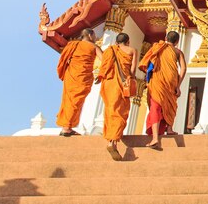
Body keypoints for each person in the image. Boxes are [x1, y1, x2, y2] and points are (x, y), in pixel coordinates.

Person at [139, 31, 187, 149]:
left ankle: (155, 138)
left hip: (158, 81)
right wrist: (178, 85)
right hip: (171, 83)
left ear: (166, 38)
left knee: (156, 107)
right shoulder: (178, 52)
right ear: (177, 41)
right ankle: (169, 129)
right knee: (170, 105)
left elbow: (147, 63)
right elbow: (184, 68)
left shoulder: (157, 47)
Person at [97, 33, 137, 161]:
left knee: (110, 110)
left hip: (109, 83)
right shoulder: (132, 50)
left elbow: (104, 65)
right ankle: (113, 141)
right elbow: (133, 70)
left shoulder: (110, 50)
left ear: (116, 42)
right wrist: (130, 78)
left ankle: (110, 139)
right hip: (122, 83)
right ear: (128, 41)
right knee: (120, 111)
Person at [56, 28, 102, 137]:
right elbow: (105, 60)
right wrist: (102, 74)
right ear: (90, 36)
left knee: (70, 101)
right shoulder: (93, 47)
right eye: (95, 36)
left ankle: (67, 126)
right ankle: (67, 127)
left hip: (71, 75)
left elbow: (63, 60)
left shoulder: (73, 45)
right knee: (75, 101)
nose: (96, 38)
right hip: (82, 77)